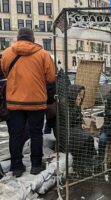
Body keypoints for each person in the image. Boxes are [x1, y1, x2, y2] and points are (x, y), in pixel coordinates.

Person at [1, 28, 56, 177]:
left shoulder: (6, 54)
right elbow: (51, 78)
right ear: (32, 39)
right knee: (36, 134)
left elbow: (5, 72)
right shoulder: (43, 55)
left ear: (18, 38)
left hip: (14, 102)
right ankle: (36, 166)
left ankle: (17, 167)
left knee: (15, 135)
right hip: (36, 102)